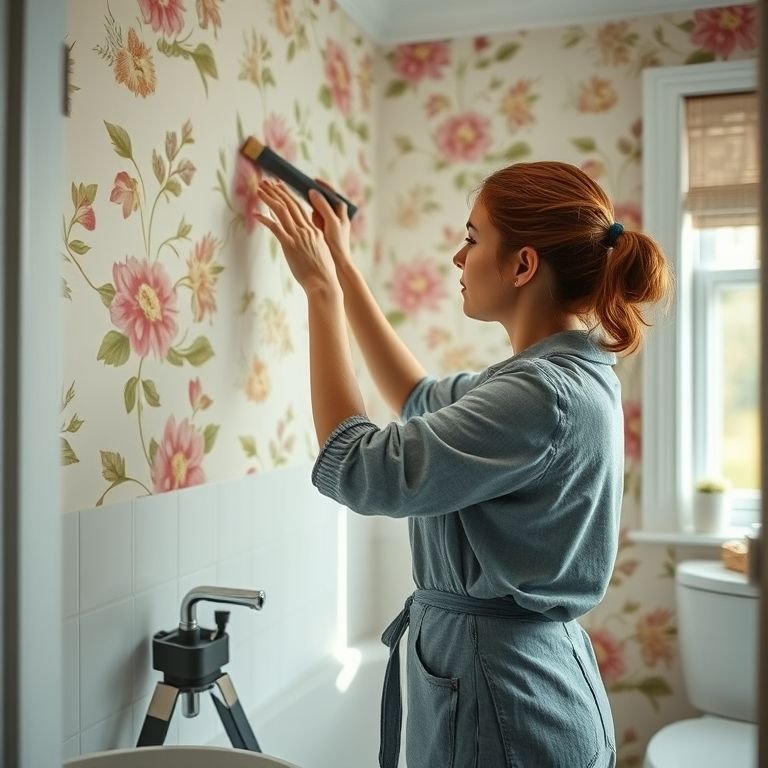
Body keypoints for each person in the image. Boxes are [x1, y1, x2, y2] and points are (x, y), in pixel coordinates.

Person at [254, 161, 671, 768]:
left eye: (473, 239)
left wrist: (321, 292)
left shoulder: (542, 394)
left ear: (523, 265)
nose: (458, 257)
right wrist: (341, 265)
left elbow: (360, 468)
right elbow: (416, 396)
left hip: (504, 700)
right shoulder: (560, 378)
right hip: (521, 684)